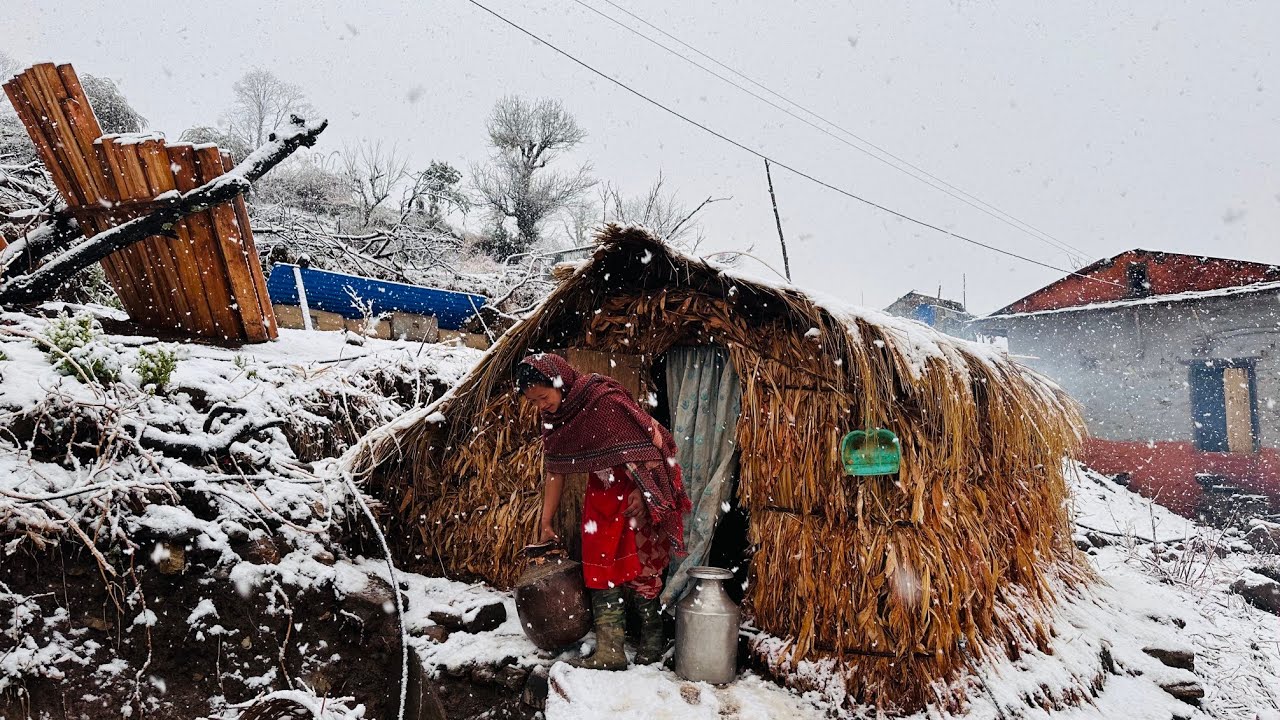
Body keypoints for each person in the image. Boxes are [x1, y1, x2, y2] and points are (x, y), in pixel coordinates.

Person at [515, 352, 691, 670]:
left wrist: (644, 490)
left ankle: (652, 641)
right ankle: (610, 651)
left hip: (634, 494)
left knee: (641, 570)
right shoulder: (556, 418)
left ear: (559, 382)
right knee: (599, 568)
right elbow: (555, 468)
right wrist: (546, 520)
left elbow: (650, 443)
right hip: (601, 495)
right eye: (534, 402)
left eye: (543, 397)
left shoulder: (602, 399)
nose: (541, 406)